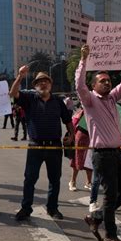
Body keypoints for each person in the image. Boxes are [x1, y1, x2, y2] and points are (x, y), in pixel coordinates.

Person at [76, 44, 121, 241]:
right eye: (102, 81)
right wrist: (83, 59)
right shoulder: (90, 100)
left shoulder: (113, 99)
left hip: (116, 153)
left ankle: (96, 217)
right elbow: (79, 85)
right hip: (102, 155)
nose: (107, 83)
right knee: (110, 195)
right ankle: (111, 235)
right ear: (94, 85)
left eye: (108, 80)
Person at [9, 67, 74, 221]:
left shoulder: (58, 101)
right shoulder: (29, 99)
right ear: (35, 85)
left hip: (54, 146)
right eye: (40, 82)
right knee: (30, 179)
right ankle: (26, 208)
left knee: (55, 179)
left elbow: (68, 120)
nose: (43, 84)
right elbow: (13, 93)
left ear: (50, 85)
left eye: (46, 81)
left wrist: (72, 135)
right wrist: (19, 76)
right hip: (35, 146)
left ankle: (52, 208)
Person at [68, 107, 93, 191]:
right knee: (77, 159)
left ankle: (88, 182)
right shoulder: (82, 110)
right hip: (81, 135)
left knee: (89, 160)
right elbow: (73, 123)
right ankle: (72, 181)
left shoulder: (97, 109)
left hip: (92, 137)